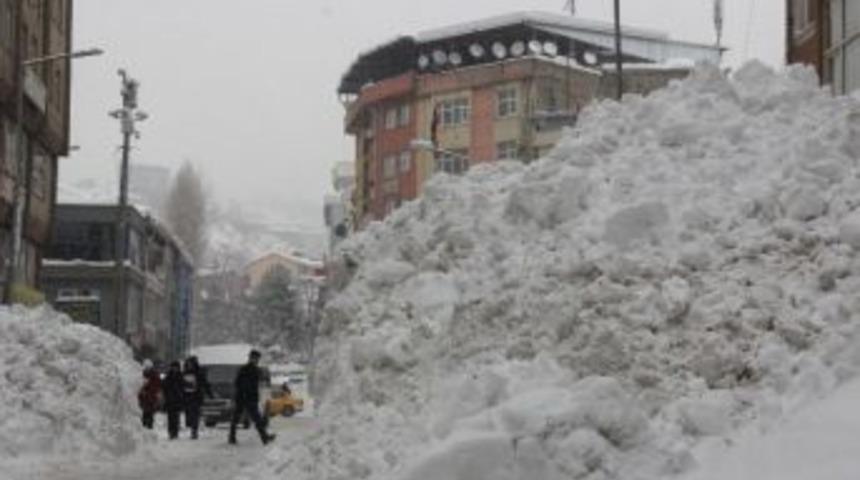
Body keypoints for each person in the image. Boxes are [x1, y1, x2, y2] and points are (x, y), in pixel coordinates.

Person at [228, 350, 276, 445]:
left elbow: (238, 383)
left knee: (239, 418)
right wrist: (245, 393)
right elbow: (240, 383)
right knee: (251, 418)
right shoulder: (248, 369)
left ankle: (232, 437)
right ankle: (264, 438)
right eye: (256, 358)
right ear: (251, 358)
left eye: (258, 358)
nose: (257, 360)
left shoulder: (252, 369)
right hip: (246, 397)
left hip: (244, 397)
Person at [182, 355, 213, 439]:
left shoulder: (198, 373)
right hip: (187, 396)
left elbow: (205, 384)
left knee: (195, 413)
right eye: (189, 363)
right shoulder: (185, 372)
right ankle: (192, 427)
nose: (190, 364)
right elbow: (181, 384)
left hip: (196, 396)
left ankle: (194, 431)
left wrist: (210, 394)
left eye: (191, 363)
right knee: (189, 413)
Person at [161, 360, 186, 440]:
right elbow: (164, 386)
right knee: (170, 417)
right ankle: (171, 432)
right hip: (169, 400)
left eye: (176, 367)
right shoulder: (169, 376)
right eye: (173, 367)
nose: (175, 368)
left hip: (177, 399)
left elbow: (183, 385)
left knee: (176, 417)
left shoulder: (180, 376)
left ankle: (175, 432)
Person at [137, 360, 162, 429]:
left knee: (150, 414)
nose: (146, 369)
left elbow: (156, 387)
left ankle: (149, 427)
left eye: (148, 368)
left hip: (151, 398)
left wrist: (148, 391)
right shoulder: (141, 374)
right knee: (144, 414)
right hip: (144, 398)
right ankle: (144, 427)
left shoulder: (154, 375)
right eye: (145, 368)